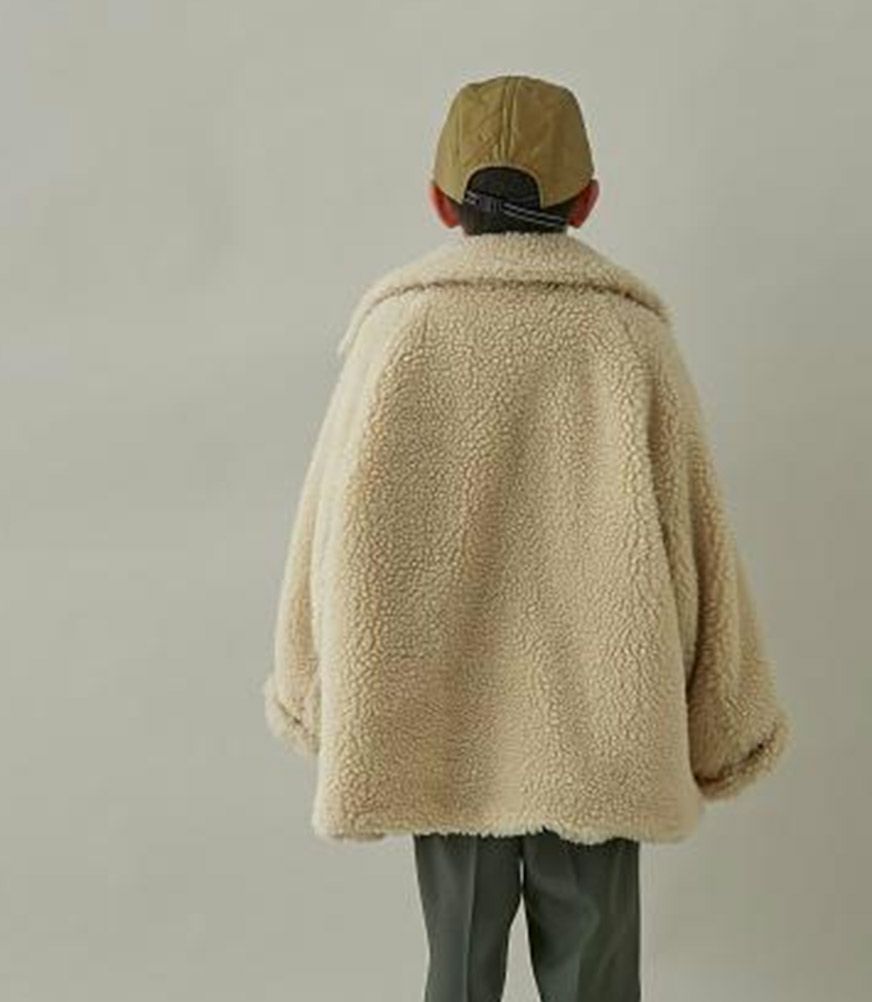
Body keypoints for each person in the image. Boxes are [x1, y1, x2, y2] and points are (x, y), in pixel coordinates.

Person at [261, 73, 791, 1002]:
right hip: (600, 728)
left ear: (439, 201)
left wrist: (311, 688)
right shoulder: (626, 341)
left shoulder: (398, 334)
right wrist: (725, 722)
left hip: (439, 725)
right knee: (595, 978)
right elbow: (696, 540)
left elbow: (329, 532)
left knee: (456, 969)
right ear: (587, 200)